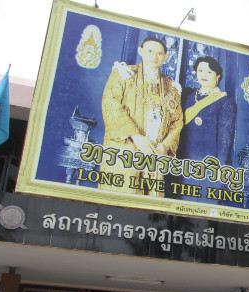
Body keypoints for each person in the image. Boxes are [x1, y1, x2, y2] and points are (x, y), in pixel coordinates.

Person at [99, 36, 183, 196]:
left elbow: (177, 122)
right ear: (140, 51)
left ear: (166, 57)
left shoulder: (172, 87)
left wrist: (164, 146)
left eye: (159, 53)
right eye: (150, 51)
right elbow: (111, 104)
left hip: (155, 154)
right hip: (126, 150)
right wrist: (137, 137)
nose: (154, 56)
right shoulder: (124, 74)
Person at [177, 56, 237, 203]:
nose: (204, 75)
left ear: (218, 76)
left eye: (209, 72)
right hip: (185, 162)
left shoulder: (225, 101)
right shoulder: (188, 97)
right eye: (201, 71)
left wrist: (220, 170)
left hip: (209, 166)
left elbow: (225, 139)